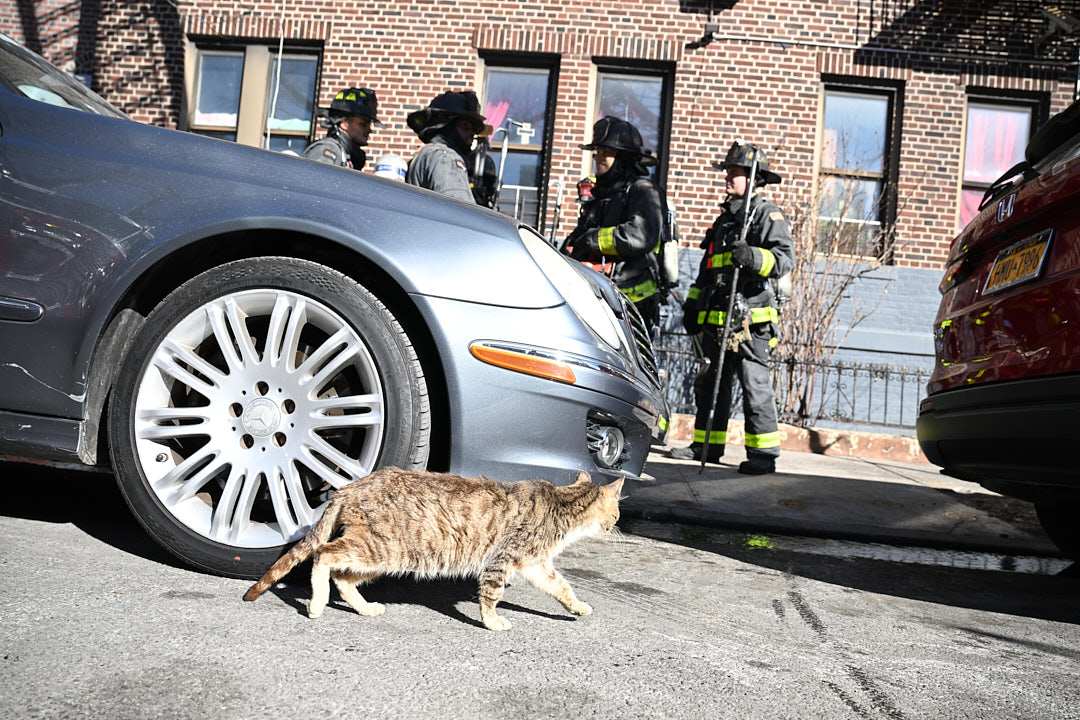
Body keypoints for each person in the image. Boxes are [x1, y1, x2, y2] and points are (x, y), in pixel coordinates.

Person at [670, 141, 794, 475]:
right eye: (727, 172)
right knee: (710, 386)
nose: (728, 178)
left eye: (735, 173)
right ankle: (706, 446)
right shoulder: (724, 221)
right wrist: (694, 304)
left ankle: (763, 455)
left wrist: (754, 256)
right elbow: (707, 270)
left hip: (750, 323)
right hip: (716, 322)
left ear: (753, 180)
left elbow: (785, 260)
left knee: (755, 387)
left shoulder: (768, 215)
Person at [562, 116, 665, 333]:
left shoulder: (643, 191)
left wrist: (592, 240)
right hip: (599, 298)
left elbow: (640, 235)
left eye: (605, 152)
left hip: (632, 304)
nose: (598, 157)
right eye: (597, 151)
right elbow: (582, 234)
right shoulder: (601, 194)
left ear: (623, 158)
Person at [405, 91, 489, 202]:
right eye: (465, 126)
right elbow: (459, 212)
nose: (471, 133)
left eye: (473, 129)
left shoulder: (426, 154)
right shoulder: (446, 158)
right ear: (447, 126)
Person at [302, 87, 383, 171]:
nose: (369, 130)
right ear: (344, 124)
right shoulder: (328, 150)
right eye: (363, 124)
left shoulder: (347, 154)